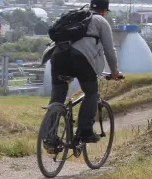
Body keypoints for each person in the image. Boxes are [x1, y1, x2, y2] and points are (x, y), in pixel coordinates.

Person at [41, 0, 123, 144]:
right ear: (104, 11)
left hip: (58, 56)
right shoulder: (101, 21)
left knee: (57, 96)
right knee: (91, 93)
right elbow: (110, 51)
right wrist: (115, 72)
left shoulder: (74, 17)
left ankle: (49, 136)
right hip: (81, 59)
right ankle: (85, 132)